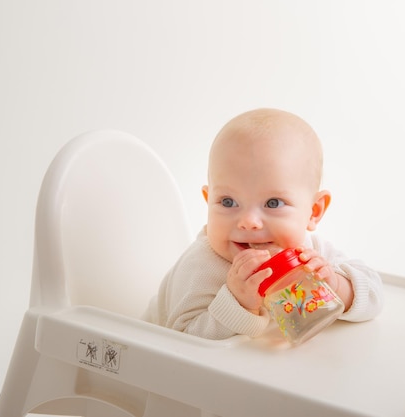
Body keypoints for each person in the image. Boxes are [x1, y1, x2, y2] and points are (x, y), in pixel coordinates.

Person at [148, 108, 383, 340]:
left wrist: (337, 286)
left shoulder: (309, 255)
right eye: (228, 201)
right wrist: (238, 302)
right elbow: (180, 343)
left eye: (273, 203)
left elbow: (375, 296)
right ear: (208, 201)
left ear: (313, 211)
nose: (249, 222)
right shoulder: (202, 266)